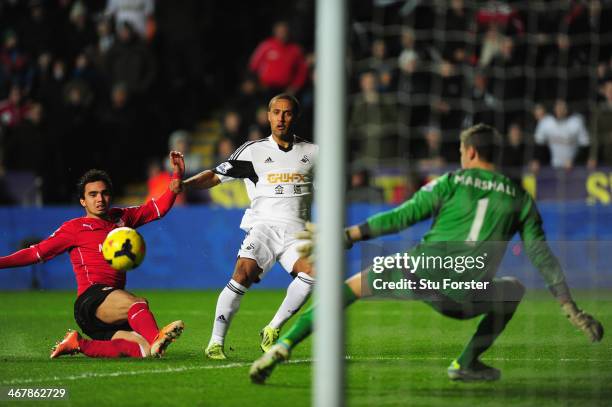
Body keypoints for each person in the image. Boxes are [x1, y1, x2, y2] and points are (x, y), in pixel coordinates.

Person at [250, 123, 604, 383]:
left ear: (470, 152)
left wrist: (349, 235)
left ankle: (284, 344)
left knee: (350, 288)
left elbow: (402, 216)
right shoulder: (520, 197)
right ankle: (466, 363)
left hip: (420, 269)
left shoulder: (450, 181)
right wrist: (569, 307)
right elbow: (542, 255)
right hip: (468, 293)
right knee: (513, 289)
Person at [0, 151, 186, 359]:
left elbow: (157, 209)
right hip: (91, 300)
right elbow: (36, 253)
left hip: (110, 306)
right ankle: (157, 337)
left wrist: (176, 178)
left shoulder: (122, 218)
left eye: (104, 193)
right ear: (82, 201)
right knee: (138, 304)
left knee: (143, 350)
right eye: (93, 194)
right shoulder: (75, 228)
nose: (100, 199)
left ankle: (78, 343)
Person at [182, 94, 318, 360]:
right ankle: (215, 342)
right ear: (268, 116)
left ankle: (272, 329)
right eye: (276, 112)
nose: (281, 118)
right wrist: (184, 185)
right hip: (264, 228)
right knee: (242, 275)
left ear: (295, 117)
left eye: (287, 113)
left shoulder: (314, 153)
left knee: (313, 275)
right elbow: (214, 176)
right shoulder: (252, 151)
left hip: (298, 232)